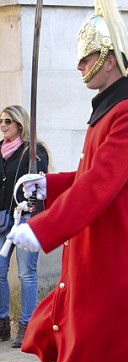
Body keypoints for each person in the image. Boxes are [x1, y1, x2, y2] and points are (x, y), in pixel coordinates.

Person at [7, 1, 128, 362]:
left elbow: (103, 184)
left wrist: (42, 228)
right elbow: (95, 174)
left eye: (85, 56)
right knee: (111, 357)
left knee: (118, 358)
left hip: (123, 244)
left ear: (108, 60)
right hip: (110, 238)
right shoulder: (114, 110)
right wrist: (48, 186)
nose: (78, 64)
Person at [0, 105, 49, 349]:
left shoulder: (34, 151)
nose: (3, 125)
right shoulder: (0, 150)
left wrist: (30, 204)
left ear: (20, 124)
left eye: (8, 121)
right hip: (2, 219)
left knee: (26, 273)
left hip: (27, 218)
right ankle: (2, 323)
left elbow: (40, 184)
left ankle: (27, 325)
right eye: (1, 121)